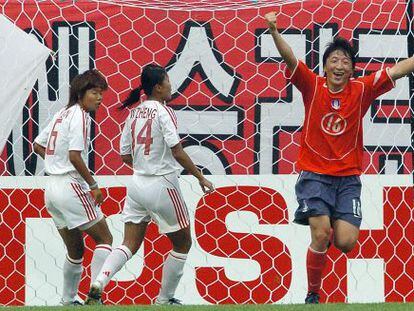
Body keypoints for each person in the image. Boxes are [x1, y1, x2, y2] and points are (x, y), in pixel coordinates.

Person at [264, 12, 414, 304]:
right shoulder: (312, 85)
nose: (339, 65)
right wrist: (273, 31)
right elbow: (291, 59)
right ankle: (313, 294)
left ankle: (329, 214)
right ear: (325, 67)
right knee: (320, 234)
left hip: (347, 179)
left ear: (352, 69)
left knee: (345, 241)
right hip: (314, 174)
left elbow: (398, 70)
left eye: (346, 61)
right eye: (334, 60)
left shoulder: (361, 90)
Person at [85, 64, 214, 305]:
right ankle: (164, 300)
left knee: (129, 243)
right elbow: (177, 150)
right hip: (162, 183)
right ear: (158, 87)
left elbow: (124, 154)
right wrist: (200, 177)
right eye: (168, 81)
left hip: (136, 184)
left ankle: (100, 281)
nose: (171, 86)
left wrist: (145, 162)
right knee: (183, 242)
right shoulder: (164, 112)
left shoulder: (134, 113)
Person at [33, 69, 113, 305]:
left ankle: (68, 300)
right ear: (81, 93)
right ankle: (94, 297)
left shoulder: (62, 113)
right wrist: (93, 184)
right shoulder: (80, 116)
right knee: (105, 239)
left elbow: (39, 144)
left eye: (101, 93)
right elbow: (75, 156)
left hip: (52, 190)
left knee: (75, 250)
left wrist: (53, 163)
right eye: (94, 92)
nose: (99, 98)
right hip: (70, 185)